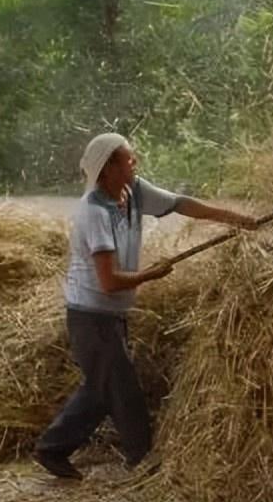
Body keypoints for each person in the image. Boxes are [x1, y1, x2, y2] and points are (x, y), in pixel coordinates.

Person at [33, 132, 257, 480]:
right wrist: (150, 275)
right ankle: (144, 462)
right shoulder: (94, 212)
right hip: (90, 315)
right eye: (128, 159)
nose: (135, 163)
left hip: (108, 314)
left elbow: (182, 204)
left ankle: (51, 448)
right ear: (108, 169)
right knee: (124, 391)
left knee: (101, 388)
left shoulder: (133, 190)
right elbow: (108, 282)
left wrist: (236, 219)